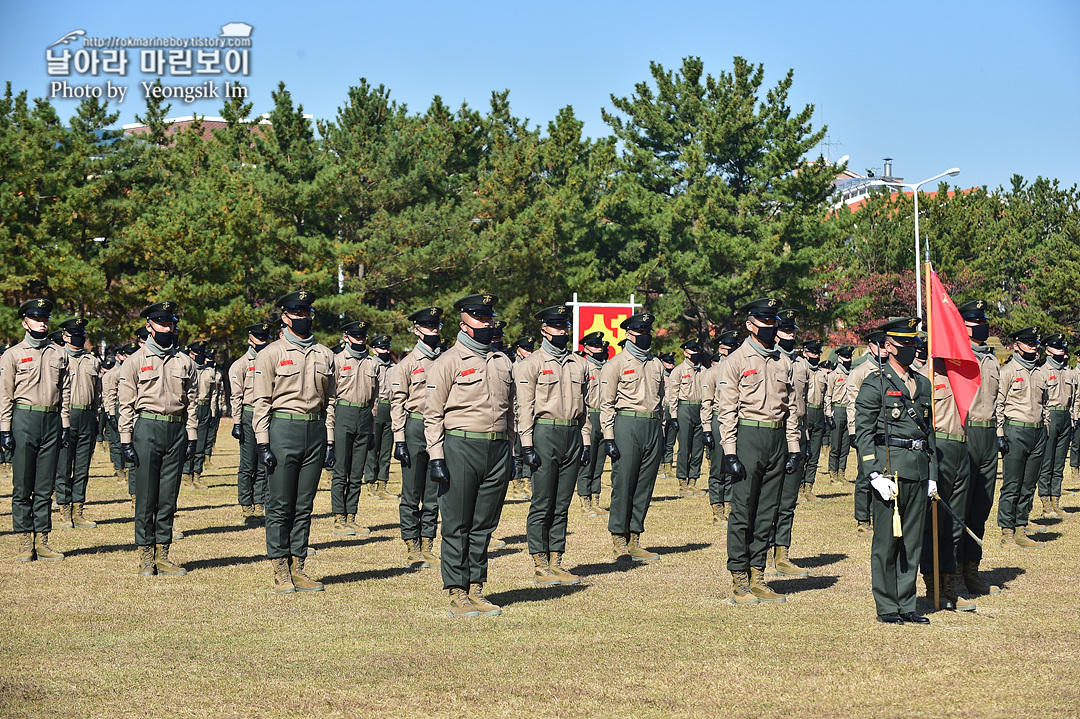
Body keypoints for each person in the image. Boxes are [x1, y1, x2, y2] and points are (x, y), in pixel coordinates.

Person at [424, 293, 515, 618]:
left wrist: (513, 448)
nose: (487, 323)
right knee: (456, 522)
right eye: (480, 318)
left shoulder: (503, 361)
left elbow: (512, 411)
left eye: (489, 318)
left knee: (484, 524)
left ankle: (477, 587)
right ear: (463, 323)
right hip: (460, 447)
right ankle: (456, 590)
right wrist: (436, 457)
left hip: (497, 449)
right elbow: (432, 414)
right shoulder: (447, 362)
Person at [716, 298, 800, 604]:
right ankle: (739, 577)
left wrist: (793, 447)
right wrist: (729, 452)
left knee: (767, 512)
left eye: (773, 323)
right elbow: (727, 410)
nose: (771, 328)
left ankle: (758, 573)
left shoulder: (783, 361)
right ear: (751, 325)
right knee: (743, 511)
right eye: (765, 323)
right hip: (749, 436)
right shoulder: (736, 360)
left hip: (777, 439)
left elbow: (790, 408)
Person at [253, 290, 337, 593]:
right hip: (282, 429)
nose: (303, 318)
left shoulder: (325, 354)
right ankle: (279, 567)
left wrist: (329, 441)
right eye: (297, 313)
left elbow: (331, 402)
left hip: (314, 431)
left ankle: (298, 565)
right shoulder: (270, 353)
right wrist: (263, 443)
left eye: (306, 313)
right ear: (284, 317)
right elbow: (261, 401)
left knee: (304, 504)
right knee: (279, 504)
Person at [854, 316, 935, 625]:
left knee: (912, 542)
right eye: (904, 343)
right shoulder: (876, 382)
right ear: (887, 347)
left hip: (917, 469)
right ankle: (887, 605)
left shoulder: (922, 383)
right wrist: (873, 474)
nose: (911, 348)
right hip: (891, 472)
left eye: (914, 342)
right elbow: (863, 433)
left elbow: (930, 434)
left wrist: (933, 474)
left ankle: (907, 603)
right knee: (888, 542)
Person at [117, 301, 198, 576]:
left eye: (170, 323)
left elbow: (192, 402)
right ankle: (145, 556)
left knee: (168, 497)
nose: (167, 328)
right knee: (146, 496)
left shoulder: (185, 361)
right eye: (161, 323)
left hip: (176, 430)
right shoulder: (135, 361)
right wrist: (125, 440)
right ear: (149, 326)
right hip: (146, 428)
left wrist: (192, 436)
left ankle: (163, 554)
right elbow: (125, 405)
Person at [515, 305, 590, 586]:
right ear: (544, 329)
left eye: (564, 327)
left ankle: (557, 559)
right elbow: (525, 407)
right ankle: (540, 562)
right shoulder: (531, 364)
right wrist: (526, 444)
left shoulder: (579, 363)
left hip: (572, 434)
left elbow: (586, 408)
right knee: (542, 501)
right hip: (545, 433)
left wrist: (586, 440)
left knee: (562, 502)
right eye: (556, 327)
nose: (561, 332)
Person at [0, 298, 70, 562]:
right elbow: (5, 395)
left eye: (45, 319)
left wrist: (65, 425)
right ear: (25, 322)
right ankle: (23, 540)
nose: (42, 323)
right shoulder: (13, 354)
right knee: (22, 484)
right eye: (36, 319)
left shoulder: (59, 353)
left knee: (45, 485)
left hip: (51, 421)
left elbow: (65, 392)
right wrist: (5, 429)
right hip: (23, 420)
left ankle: (43, 539)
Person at [600, 312, 666, 562]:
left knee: (644, 485)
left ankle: (635, 537)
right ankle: (619, 538)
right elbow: (605, 404)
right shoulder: (615, 364)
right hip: (627, 423)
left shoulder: (656, 364)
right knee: (624, 482)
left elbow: (661, 400)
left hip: (651, 426)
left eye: (648, 332)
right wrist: (609, 437)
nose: (646, 337)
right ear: (629, 335)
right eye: (641, 333)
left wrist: (661, 431)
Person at [918, 348, 976, 611]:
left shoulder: (962, 374)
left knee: (955, 522)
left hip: (962, 448)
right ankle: (933, 588)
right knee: (934, 524)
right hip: (938, 449)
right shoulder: (925, 376)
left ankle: (950, 586)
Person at [391, 307, 444, 569]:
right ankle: (412, 544)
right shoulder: (407, 365)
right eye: (428, 327)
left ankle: (428, 543)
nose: (433, 331)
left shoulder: (446, 361)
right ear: (417, 330)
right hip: (415, 426)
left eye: (436, 327)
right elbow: (398, 403)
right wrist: (399, 438)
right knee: (411, 491)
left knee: (434, 491)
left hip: (440, 429)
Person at [767, 309, 810, 578]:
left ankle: (783, 552)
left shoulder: (802, 365)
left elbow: (801, 405)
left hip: (799, 434)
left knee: (788, 499)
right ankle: (764, 550)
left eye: (792, 331)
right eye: (785, 331)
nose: (790, 335)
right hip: (775, 434)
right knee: (769, 497)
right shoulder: (769, 361)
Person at [995, 327, 1048, 547]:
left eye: (1035, 343)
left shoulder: (1040, 372)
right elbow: (998, 404)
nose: (1033, 347)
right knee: (1012, 483)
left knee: (1029, 483)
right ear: (1016, 345)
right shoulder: (1008, 371)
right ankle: (1007, 531)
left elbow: (1045, 403)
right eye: (1028, 343)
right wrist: (999, 433)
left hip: (1037, 432)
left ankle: (1020, 528)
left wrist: (1045, 425)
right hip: (1015, 431)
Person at [327, 319, 379, 539]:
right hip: (343, 413)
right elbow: (330, 397)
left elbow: (375, 398)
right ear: (346, 337)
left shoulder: (373, 363)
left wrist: (373, 427)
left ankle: (352, 516)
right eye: (355, 336)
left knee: (357, 472)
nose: (360, 339)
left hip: (365, 415)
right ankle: (339, 518)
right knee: (341, 470)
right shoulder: (337, 361)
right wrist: (329, 431)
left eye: (363, 336)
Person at [54, 317, 101, 530]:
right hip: (65, 415)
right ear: (64, 336)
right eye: (74, 334)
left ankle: (78, 509)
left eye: (82, 334)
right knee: (64, 465)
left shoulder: (92, 361)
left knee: (82, 466)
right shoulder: (57, 358)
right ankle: (64, 510)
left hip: (87, 416)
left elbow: (97, 393)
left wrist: (97, 415)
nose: (79, 338)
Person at [229, 321, 273, 525]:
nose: (262, 341)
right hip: (249, 413)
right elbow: (236, 396)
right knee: (248, 464)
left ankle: (259, 503)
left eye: (265, 338)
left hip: (269, 413)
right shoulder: (241, 365)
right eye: (258, 337)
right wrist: (237, 421)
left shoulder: (273, 360)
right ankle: (246, 505)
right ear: (250, 339)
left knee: (264, 462)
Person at [846, 333, 889, 534]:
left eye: (886, 345)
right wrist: (854, 431)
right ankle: (863, 519)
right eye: (880, 346)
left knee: (884, 473)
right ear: (870, 346)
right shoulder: (860, 372)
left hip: (887, 431)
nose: (884, 349)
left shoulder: (890, 370)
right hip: (867, 430)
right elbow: (852, 404)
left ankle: (878, 515)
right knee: (865, 475)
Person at [701, 330, 741, 525]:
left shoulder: (742, 368)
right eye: (728, 347)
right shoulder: (712, 373)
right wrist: (707, 428)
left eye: (735, 347)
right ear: (720, 349)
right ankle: (717, 508)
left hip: (739, 420)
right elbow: (706, 403)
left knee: (735, 465)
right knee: (718, 466)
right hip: (719, 420)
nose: (732, 350)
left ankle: (732, 503)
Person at [1036, 333, 1074, 520]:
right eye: (1058, 348)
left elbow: (1075, 398)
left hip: (1066, 416)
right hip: (1050, 417)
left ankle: (1056, 500)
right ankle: (1045, 502)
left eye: (1063, 349)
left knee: (1059, 463)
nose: (1062, 352)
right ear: (1048, 350)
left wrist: (1073, 419)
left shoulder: (1069, 372)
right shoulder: (1042, 371)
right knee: (1047, 462)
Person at [576, 331, 609, 517]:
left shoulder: (606, 367)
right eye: (595, 346)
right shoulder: (583, 366)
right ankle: (584, 500)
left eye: (600, 346)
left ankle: (596, 498)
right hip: (589, 416)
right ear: (586, 348)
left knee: (599, 461)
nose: (599, 349)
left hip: (604, 416)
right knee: (587, 461)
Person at [181, 340, 219, 490]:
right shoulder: (187, 369)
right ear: (191, 354)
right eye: (198, 354)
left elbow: (214, 394)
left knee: (201, 444)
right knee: (190, 442)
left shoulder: (210, 372)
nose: (201, 357)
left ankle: (197, 474)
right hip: (191, 408)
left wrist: (213, 413)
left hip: (205, 409)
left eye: (203, 354)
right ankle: (186, 475)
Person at [363, 334, 396, 501]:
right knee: (372, 448)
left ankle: (383, 483)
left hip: (390, 408)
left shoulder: (394, 367)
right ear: (374, 349)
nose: (385, 350)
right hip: (375, 407)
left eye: (387, 348)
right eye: (382, 348)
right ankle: (370, 483)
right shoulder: (370, 365)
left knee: (386, 449)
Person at [673, 340, 708, 498]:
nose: (696, 353)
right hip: (685, 408)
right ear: (686, 352)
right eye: (692, 350)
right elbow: (672, 394)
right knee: (684, 448)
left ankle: (693, 480)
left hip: (700, 408)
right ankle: (683, 482)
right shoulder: (679, 370)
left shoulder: (704, 370)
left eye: (697, 350)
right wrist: (673, 415)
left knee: (698, 448)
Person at [800, 339, 828, 504]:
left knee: (815, 455)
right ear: (805, 352)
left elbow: (826, 397)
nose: (815, 355)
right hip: (805, 412)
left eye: (817, 353)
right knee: (802, 452)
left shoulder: (823, 373)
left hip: (818, 414)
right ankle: (798, 488)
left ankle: (809, 487)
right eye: (812, 352)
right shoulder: (800, 369)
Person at [509, 335, 536, 501]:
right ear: (518, 350)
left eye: (531, 349)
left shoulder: (533, 366)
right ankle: (516, 483)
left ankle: (528, 481)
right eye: (525, 349)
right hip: (516, 414)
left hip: (530, 414)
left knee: (529, 448)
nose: (529, 352)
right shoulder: (512, 367)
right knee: (517, 451)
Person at [825, 346, 854, 485]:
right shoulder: (833, 375)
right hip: (837, 409)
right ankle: (833, 474)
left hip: (849, 410)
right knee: (835, 445)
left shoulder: (852, 374)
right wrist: (828, 414)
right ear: (839, 358)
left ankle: (842, 473)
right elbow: (828, 396)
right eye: (845, 357)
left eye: (849, 357)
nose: (848, 360)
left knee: (845, 446)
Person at [660, 352, 677, 472]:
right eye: (668, 362)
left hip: (673, 408)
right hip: (662, 408)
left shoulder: (676, 375)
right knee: (661, 437)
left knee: (671, 439)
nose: (670, 365)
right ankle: (659, 464)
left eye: (672, 362)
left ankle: (668, 465)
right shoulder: (659, 375)